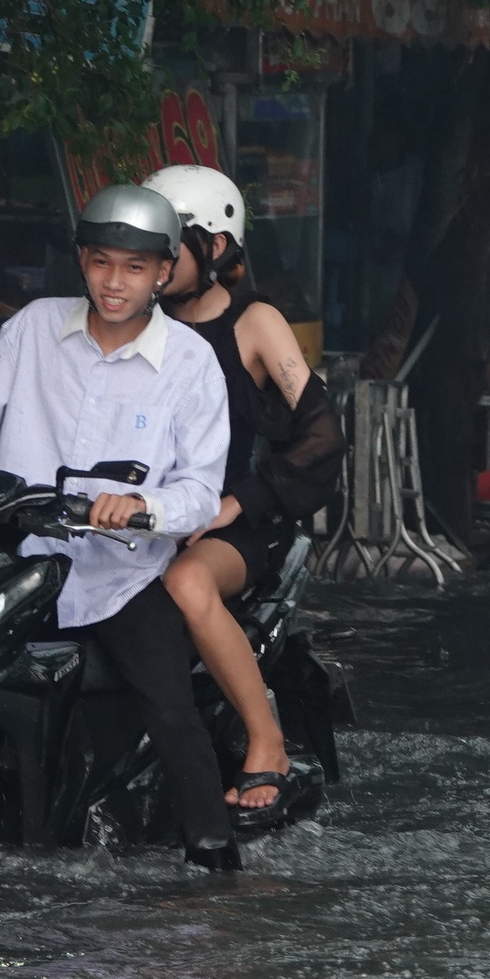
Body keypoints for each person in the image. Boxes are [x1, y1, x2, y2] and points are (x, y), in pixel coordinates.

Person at [0, 185, 240, 865]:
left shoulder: (190, 363)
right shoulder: (32, 328)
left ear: (162, 271)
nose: (114, 282)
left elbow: (201, 491)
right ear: (81, 260)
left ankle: (215, 863)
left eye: (134, 267)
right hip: (15, 566)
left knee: (171, 711)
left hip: (118, 576)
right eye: (100, 262)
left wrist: (142, 507)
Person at [141, 164, 346, 814]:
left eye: (168, 244)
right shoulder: (128, 322)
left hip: (230, 526)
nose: (153, 260)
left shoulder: (255, 323)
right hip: (137, 517)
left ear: (216, 248)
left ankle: (267, 742)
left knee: (187, 584)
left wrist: (238, 501)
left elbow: (322, 435)